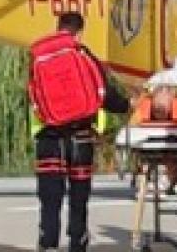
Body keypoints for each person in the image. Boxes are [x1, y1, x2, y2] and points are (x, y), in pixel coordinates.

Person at [30, 13, 130, 252]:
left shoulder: (39, 58)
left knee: (50, 197)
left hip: (49, 135)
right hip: (80, 137)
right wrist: (126, 106)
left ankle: (48, 242)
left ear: (58, 29)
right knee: (79, 197)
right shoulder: (84, 56)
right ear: (79, 32)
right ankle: (78, 241)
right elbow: (104, 93)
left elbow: (34, 95)